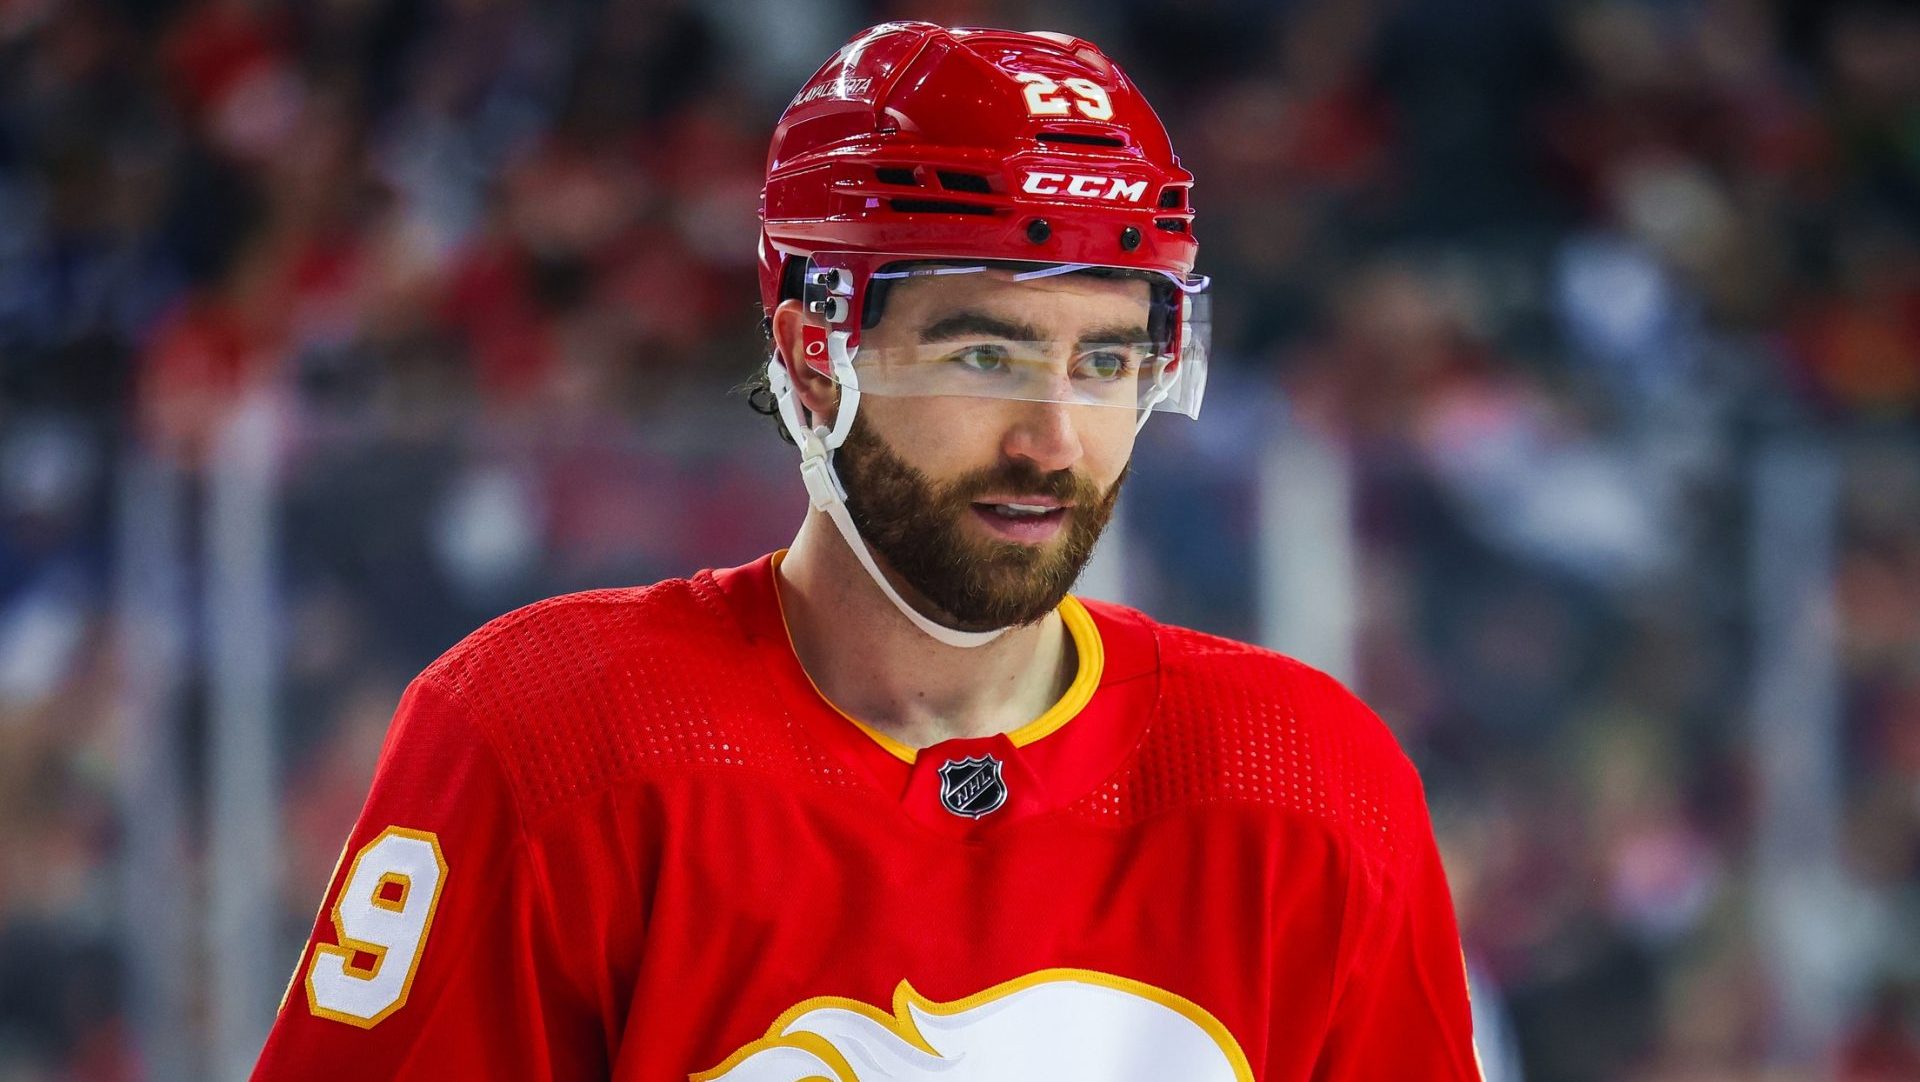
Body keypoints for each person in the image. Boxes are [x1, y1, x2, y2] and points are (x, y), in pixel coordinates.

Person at [252, 21, 1481, 1081]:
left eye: (1104, 359)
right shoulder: (547, 736)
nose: (1055, 438)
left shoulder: (1311, 783)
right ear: (808, 351)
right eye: (982, 353)